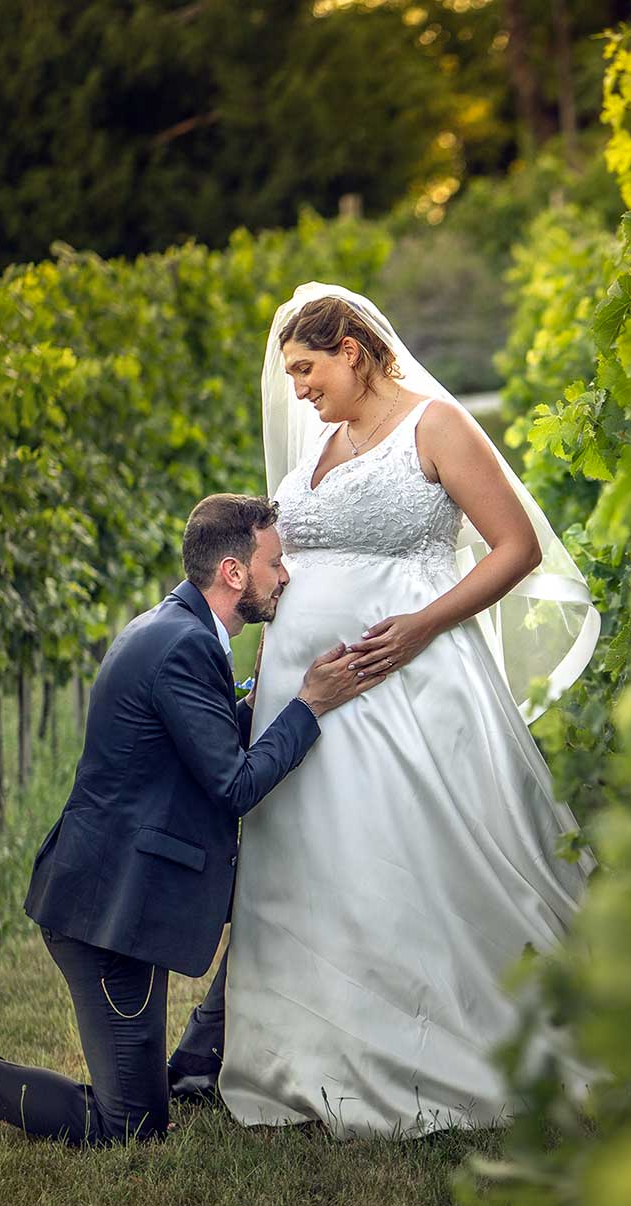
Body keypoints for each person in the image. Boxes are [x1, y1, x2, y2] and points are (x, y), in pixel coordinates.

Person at [219, 285, 599, 1134]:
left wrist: (422, 628)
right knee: (314, 864)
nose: (300, 390)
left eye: (308, 369)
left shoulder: (435, 426)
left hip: (409, 680)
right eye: (291, 375)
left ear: (352, 349)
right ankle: (311, 1056)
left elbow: (517, 546)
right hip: (306, 698)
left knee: (408, 861)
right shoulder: (316, 443)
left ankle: (438, 1046)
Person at [0, 494, 377, 1144]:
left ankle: (199, 1063)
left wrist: (262, 698)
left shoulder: (180, 628)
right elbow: (233, 784)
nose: (284, 576)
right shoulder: (183, 646)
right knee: (132, 1127)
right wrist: (308, 705)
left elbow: (201, 742)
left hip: (126, 880)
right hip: (109, 917)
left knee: (277, 902)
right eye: (274, 562)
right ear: (234, 572)